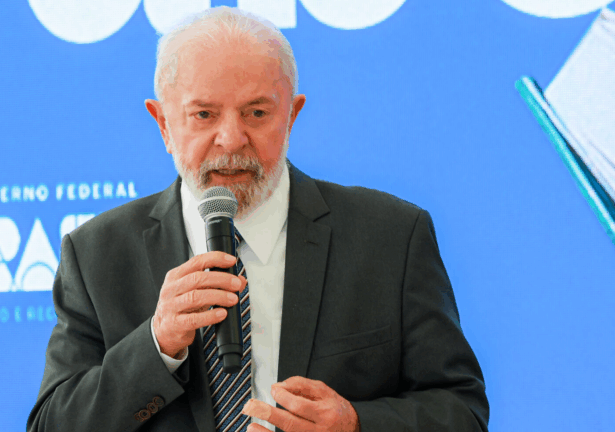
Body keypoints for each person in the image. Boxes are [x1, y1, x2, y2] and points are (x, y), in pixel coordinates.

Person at [27, 6, 489, 432]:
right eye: (204, 114)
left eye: (257, 113)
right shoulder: (96, 254)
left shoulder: (390, 237)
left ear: (291, 115)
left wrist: (355, 424)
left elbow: (461, 411)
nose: (231, 139)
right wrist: (156, 344)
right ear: (163, 123)